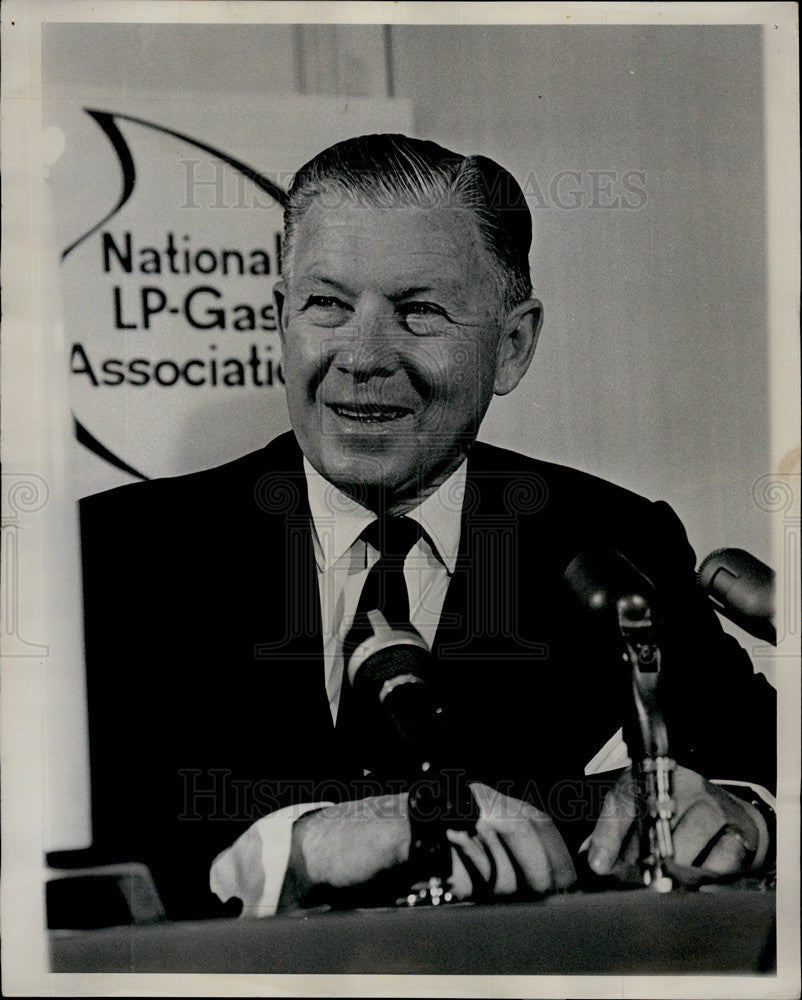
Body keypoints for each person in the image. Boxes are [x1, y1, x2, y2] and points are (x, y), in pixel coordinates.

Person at [79, 134, 775, 922]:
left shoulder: (613, 541)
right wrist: (292, 851)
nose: (364, 356)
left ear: (512, 347)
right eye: (327, 306)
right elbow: (62, 848)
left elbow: (764, 759)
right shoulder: (110, 555)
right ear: (280, 320)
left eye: (419, 312)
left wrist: (746, 816)